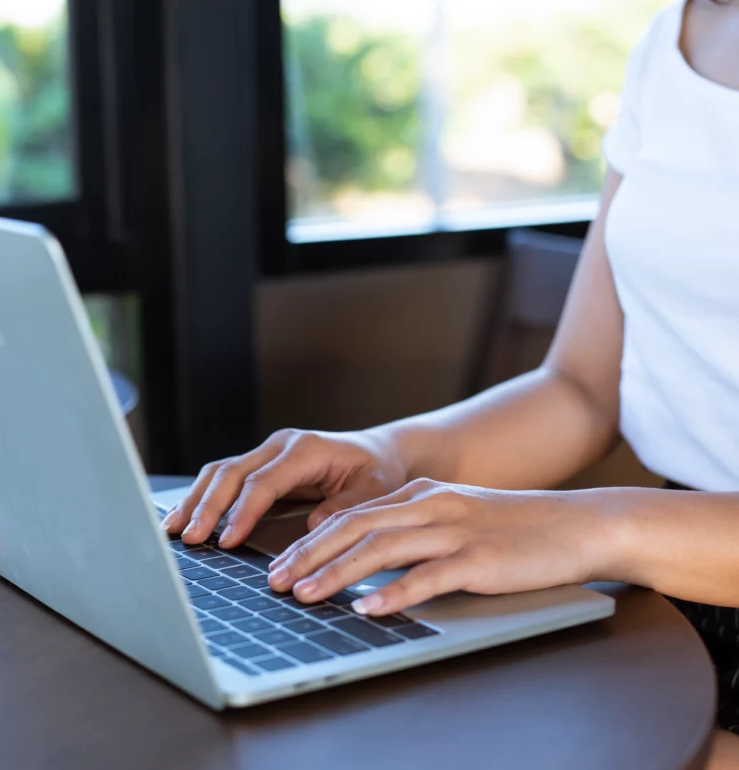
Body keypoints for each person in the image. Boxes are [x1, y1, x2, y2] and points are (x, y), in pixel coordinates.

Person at [163, 0, 739, 765]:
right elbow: (580, 390)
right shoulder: (676, 38)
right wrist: (386, 454)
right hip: (681, 603)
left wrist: (591, 528)